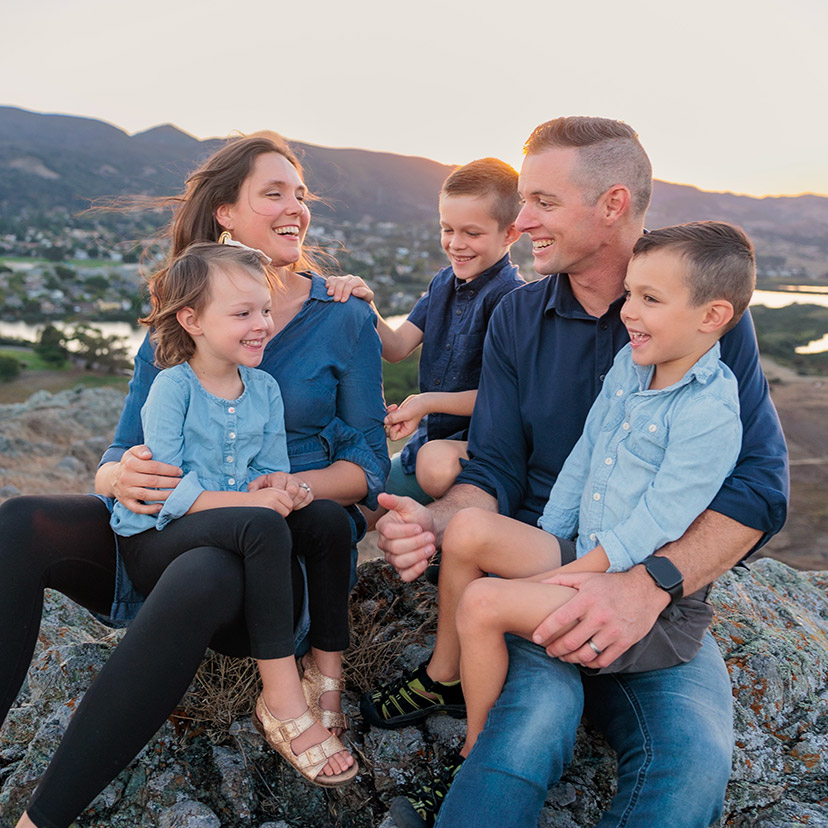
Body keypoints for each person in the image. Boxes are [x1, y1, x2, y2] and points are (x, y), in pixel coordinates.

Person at [366, 117, 789, 828]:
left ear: (614, 205)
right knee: (527, 732)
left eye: (544, 202)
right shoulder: (518, 317)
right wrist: (433, 524)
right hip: (542, 568)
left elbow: (760, 487)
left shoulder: (702, 318)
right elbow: (491, 468)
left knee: (693, 761)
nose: (521, 219)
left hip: (658, 591)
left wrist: (646, 585)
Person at [1, 132, 388, 828]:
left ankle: (42, 821)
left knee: (212, 563)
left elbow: (368, 468)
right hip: (173, 523)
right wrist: (119, 475)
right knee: (19, 521)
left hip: (269, 551)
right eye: (274, 192)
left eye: (301, 193)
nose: (296, 206)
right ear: (226, 216)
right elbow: (119, 451)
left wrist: (283, 492)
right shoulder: (189, 308)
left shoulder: (345, 315)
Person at [111, 241, 357, 786]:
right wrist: (254, 501)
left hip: (233, 521)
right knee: (263, 522)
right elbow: (164, 494)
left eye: (265, 310)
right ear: (192, 320)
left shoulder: (264, 387)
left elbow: (267, 469)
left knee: (327, 519)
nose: (262, 324)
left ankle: (326, 674)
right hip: (160, 533)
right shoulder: (172, 387)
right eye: (242, 313)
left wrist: (280, 486)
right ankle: (282, 701)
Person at [326, 157, 524, 506]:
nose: (456, 244)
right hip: (427, 443)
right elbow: (397, 347)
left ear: (510, 233)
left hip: (479, 448)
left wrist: (425, 402)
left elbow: (504, 398)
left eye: (472, 233)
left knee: (434, 467)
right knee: (355, 500)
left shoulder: (512, 299)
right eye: (448, 229)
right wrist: (364, 301)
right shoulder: (443, 283)